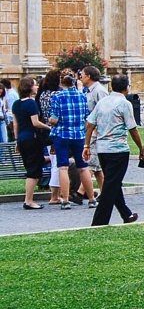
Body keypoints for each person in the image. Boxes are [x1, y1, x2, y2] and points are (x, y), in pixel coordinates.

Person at [84, 74, 144, 226]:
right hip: (118, 149)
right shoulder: (124, 104)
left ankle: (126, 214)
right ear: (126, 87)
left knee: (113, 182)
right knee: (111, 185)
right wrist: (141, 148)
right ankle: (99, 221)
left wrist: (86, 145)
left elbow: (90, 124)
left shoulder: (102, 102)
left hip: (102, 149)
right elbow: (132, 128)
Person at [49, 73, 96, 208]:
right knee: (83, 167)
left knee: (63, 167)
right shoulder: (82, 96)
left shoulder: (57, 97)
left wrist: (50, 121)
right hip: (79, 135)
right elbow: (87, 117)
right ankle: (92, 199)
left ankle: (65, 200)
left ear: (61, 82)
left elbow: (54, 118)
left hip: (62, 135)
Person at [11, 76, 49, 209]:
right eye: (34, 85)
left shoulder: (16, 104)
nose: (37, 87)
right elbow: (35, 123)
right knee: (34, 171)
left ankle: (29, 200)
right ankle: (29, 200)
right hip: (32, 138)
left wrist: (17, 140)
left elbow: (16, 125)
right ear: (29, 87)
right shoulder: (31, 103)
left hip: (22, 138)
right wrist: (49, 127)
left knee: (31, 166)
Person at [36, 69, 62, 204]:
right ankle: (55, 195)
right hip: (58, 130)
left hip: (48, 131)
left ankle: (58, 194)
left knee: (55, 163)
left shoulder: (43, 94)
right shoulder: (58, 94)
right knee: (58, 164)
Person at [81, 65, 108, 192]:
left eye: (82, 75)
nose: (80, 77)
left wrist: (98, 129)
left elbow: (105, 111)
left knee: (92, 163)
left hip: (97, 131)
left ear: (89, 77)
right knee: (97, 166)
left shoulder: (99, 91)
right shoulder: (89, 90)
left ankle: (80, 192)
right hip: (90, 130)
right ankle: (105, 192)